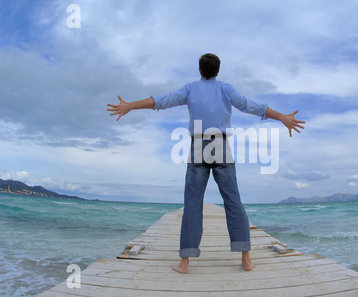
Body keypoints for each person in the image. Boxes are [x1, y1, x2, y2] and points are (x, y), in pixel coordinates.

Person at [107, 53, 305, 274]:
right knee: (233, 202)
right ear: (217, 71)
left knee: (192, 204)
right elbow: (253, 106)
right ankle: (246, 259)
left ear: (199, 70)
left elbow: (161, 101)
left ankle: (184, 263)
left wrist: (130, 105)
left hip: (199, 145)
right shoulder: (226, 89)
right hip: (220, 146)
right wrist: (283, 118)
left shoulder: (191, 89)